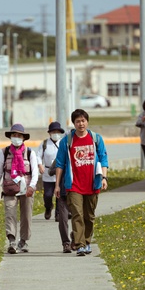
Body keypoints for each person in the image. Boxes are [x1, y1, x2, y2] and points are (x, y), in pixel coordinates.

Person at [53, 109, 109, 257]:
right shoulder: (67, 141)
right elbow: (60, 164)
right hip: (74, 185)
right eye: (78, 121)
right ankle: (79, 245)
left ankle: (87, 241)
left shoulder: (96, 139)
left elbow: (103, 159)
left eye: (83, 120)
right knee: (77, 214)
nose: (81, 124)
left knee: (89, 216)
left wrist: (104, 178)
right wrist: (57, 185)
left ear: (87, 122)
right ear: (74, 123)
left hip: (93, 184)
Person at [0, 123, 39, 254]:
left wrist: (32, 187)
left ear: (23, 138)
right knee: (10, 215)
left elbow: (35, 173)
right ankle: (11, 241)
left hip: (26, 190)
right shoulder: (4, 152)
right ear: (10, 137)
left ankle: (23, 241)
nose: (16, 137)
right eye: (14, 135)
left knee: (26, 216)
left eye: (19, 135)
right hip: (9, 189)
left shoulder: (30, 153)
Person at [38, 121, 72, 253]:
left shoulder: (64, 143)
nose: (56, 134)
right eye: (53, 132)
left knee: (60, 196)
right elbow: (37, 155)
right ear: (49, 133)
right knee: (48, 194)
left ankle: (58, 213)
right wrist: (40, 165)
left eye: (58, 132)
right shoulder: (45, 143)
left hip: (61, 176)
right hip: (48, 174)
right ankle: (48, 208)